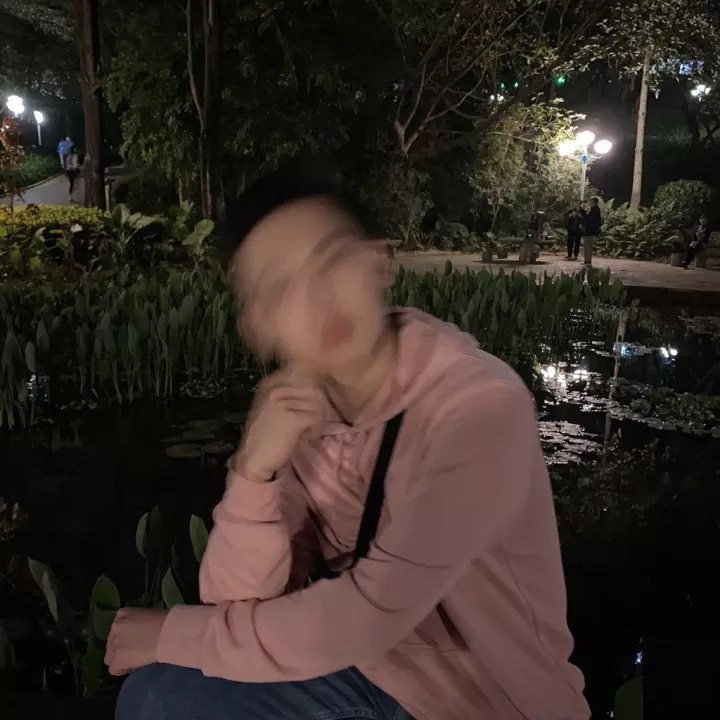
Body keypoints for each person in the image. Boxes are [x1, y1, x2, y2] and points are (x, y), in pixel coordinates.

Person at [105, 175, 590, 720]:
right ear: (256, 326)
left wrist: (171, 634)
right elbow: (234, 606)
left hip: (485, 702)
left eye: (331, 261)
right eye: (280, 288)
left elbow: (370, 612)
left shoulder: (478, 407)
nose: (316, 300)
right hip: (368, 675)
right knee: (160, 693)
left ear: (379, 262)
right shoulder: (301, 413)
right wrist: (253, 471)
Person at [581, 198, 603, 266]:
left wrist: (584, 218)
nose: (590, 203)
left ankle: (588, 261)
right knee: (586, 246)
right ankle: (586, 261)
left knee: (588, 246)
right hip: (588, 230)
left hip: (590, 230)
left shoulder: (596, 210)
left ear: (594, 202)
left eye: (591, 202)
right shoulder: (593, 210)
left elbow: (591, 219)